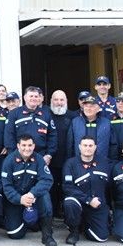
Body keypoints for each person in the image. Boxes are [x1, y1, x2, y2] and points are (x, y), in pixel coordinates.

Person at [1, 134, 57, 246]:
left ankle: (47, 235)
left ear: (34, 146)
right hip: (16, 200)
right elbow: (7, 187)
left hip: (34, 197)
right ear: (18, 146)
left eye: (30, 145)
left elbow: (47, 180)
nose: (27, 148)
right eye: (24, 145)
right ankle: (29, 222)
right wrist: (20, 199)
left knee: (45, 196)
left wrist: (32, 193)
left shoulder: (39, 159)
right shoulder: (9, 161)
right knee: (15, 234)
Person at [62, 136, 110, 245]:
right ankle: (74, 231)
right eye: (85, 145)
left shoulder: (104, 163)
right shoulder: (70, 164)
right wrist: (88, 200)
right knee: (69, 202)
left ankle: (85, 224)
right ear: (79, 147)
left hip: (97, 205)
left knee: (100, 237)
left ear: (95, 147)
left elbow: (110, 185)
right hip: (80, 203)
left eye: (90, 146)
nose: (87, 148)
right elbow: (67, 187)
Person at [4, 86, 56, 164]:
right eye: (31, 96)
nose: (33, 98)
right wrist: (13, 155)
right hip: (19, 157)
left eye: (36, 96)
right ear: (25, 97)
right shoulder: (14, 113)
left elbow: (52, 136)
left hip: (41, 157)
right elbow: (9, 135)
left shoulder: (46, 115)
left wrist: (49, 155)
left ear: (39, 98)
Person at [48, 89, 76, 217]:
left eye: (62, 100)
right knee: (51, 187)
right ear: (51, 101)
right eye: (56, 99)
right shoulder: (46, 115)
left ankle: (66, 213)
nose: (59, 103)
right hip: (50, 159)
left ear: (66, 101)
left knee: (67, 187)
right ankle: (52, 213)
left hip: (68, 160)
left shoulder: (73, 117)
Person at [68, 95, 111, 163]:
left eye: (91, 106)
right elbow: (70, 144)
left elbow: (113, 145)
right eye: (86, 106)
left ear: (98, 108)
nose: (88, 108)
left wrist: (111, 162)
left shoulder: (107, 123)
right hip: (80, 163)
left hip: (101, 163)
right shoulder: (75, 122)